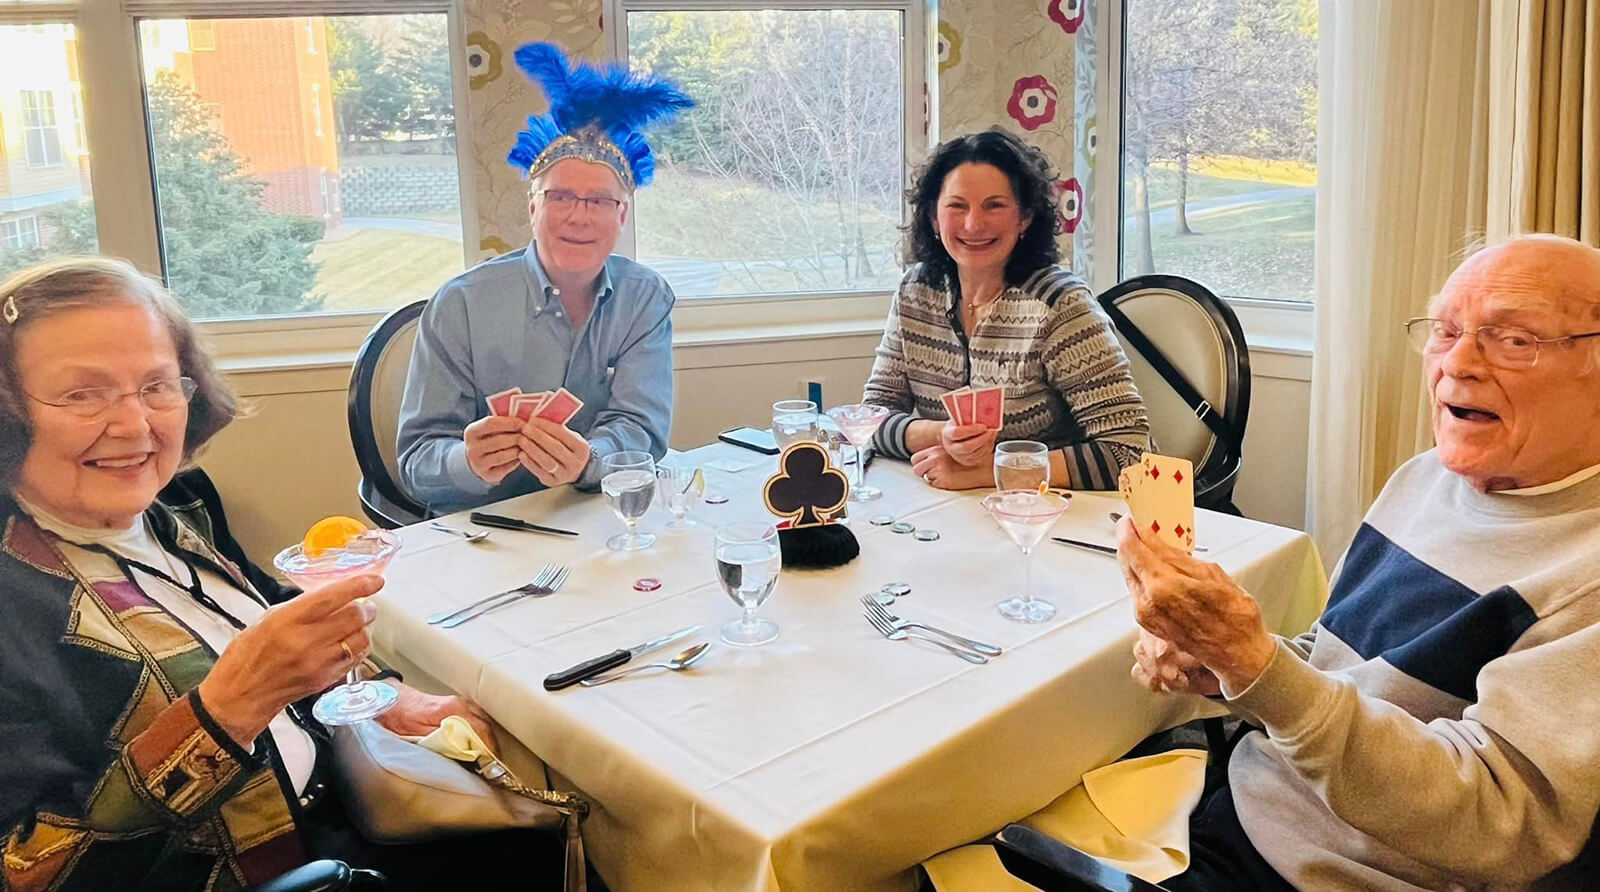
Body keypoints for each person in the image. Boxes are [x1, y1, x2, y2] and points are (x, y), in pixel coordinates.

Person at [0, 258, 554, 891]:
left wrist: (389, 695)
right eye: (82, 393)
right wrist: (225, 712)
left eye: (156, 385)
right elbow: (31, 874)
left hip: (343, 809)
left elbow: (263, 620)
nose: (134, 426)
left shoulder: (176, 506)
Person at [1119, 235, 1600, 889]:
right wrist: (1225, 667)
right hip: (1239, 809)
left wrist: (1258, 666)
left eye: (1514, 339)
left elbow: (1497, 821)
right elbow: (1332, 667)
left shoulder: (1584, 574)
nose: (1457, 363)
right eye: (1446, 329)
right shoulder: (1426, 478)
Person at [397, 43, 692, 514]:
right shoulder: (460, 304)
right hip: (480, 534)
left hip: (593, 518)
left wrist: (589, 462)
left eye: (599, 201)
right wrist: (464, 461)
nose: (579, 217)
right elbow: (417, 462)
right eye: (560, 197)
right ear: (533, 208)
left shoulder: (645, 298)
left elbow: (641, 430)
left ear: (622, 216)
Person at [862, 128, 1148, 491]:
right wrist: (943, 435)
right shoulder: (915, 291)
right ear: (934, 218)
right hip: (954, 510)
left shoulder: (1061, 305)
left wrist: (991, 471)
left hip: (1051, 515)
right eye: (957, 205)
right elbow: (871, 418)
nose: (973, 224)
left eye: (995, 205)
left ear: (1025, 217)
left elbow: (1130, 452)